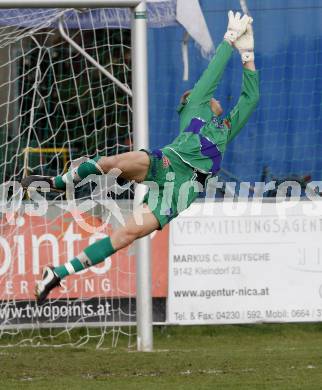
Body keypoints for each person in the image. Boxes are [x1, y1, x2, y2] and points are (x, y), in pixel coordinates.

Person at [22, 11, 259, 304]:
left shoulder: (225, 128)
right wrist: (229, 40)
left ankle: (56, 274)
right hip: (164, 163)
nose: (215, 97)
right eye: (202, 94)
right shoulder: (195, 105)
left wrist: (247, 54)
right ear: (191, 101)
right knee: (111, 162)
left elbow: (251, 99)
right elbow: (212, 75)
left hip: (180, 192)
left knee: (126, 234)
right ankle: (58, 181)